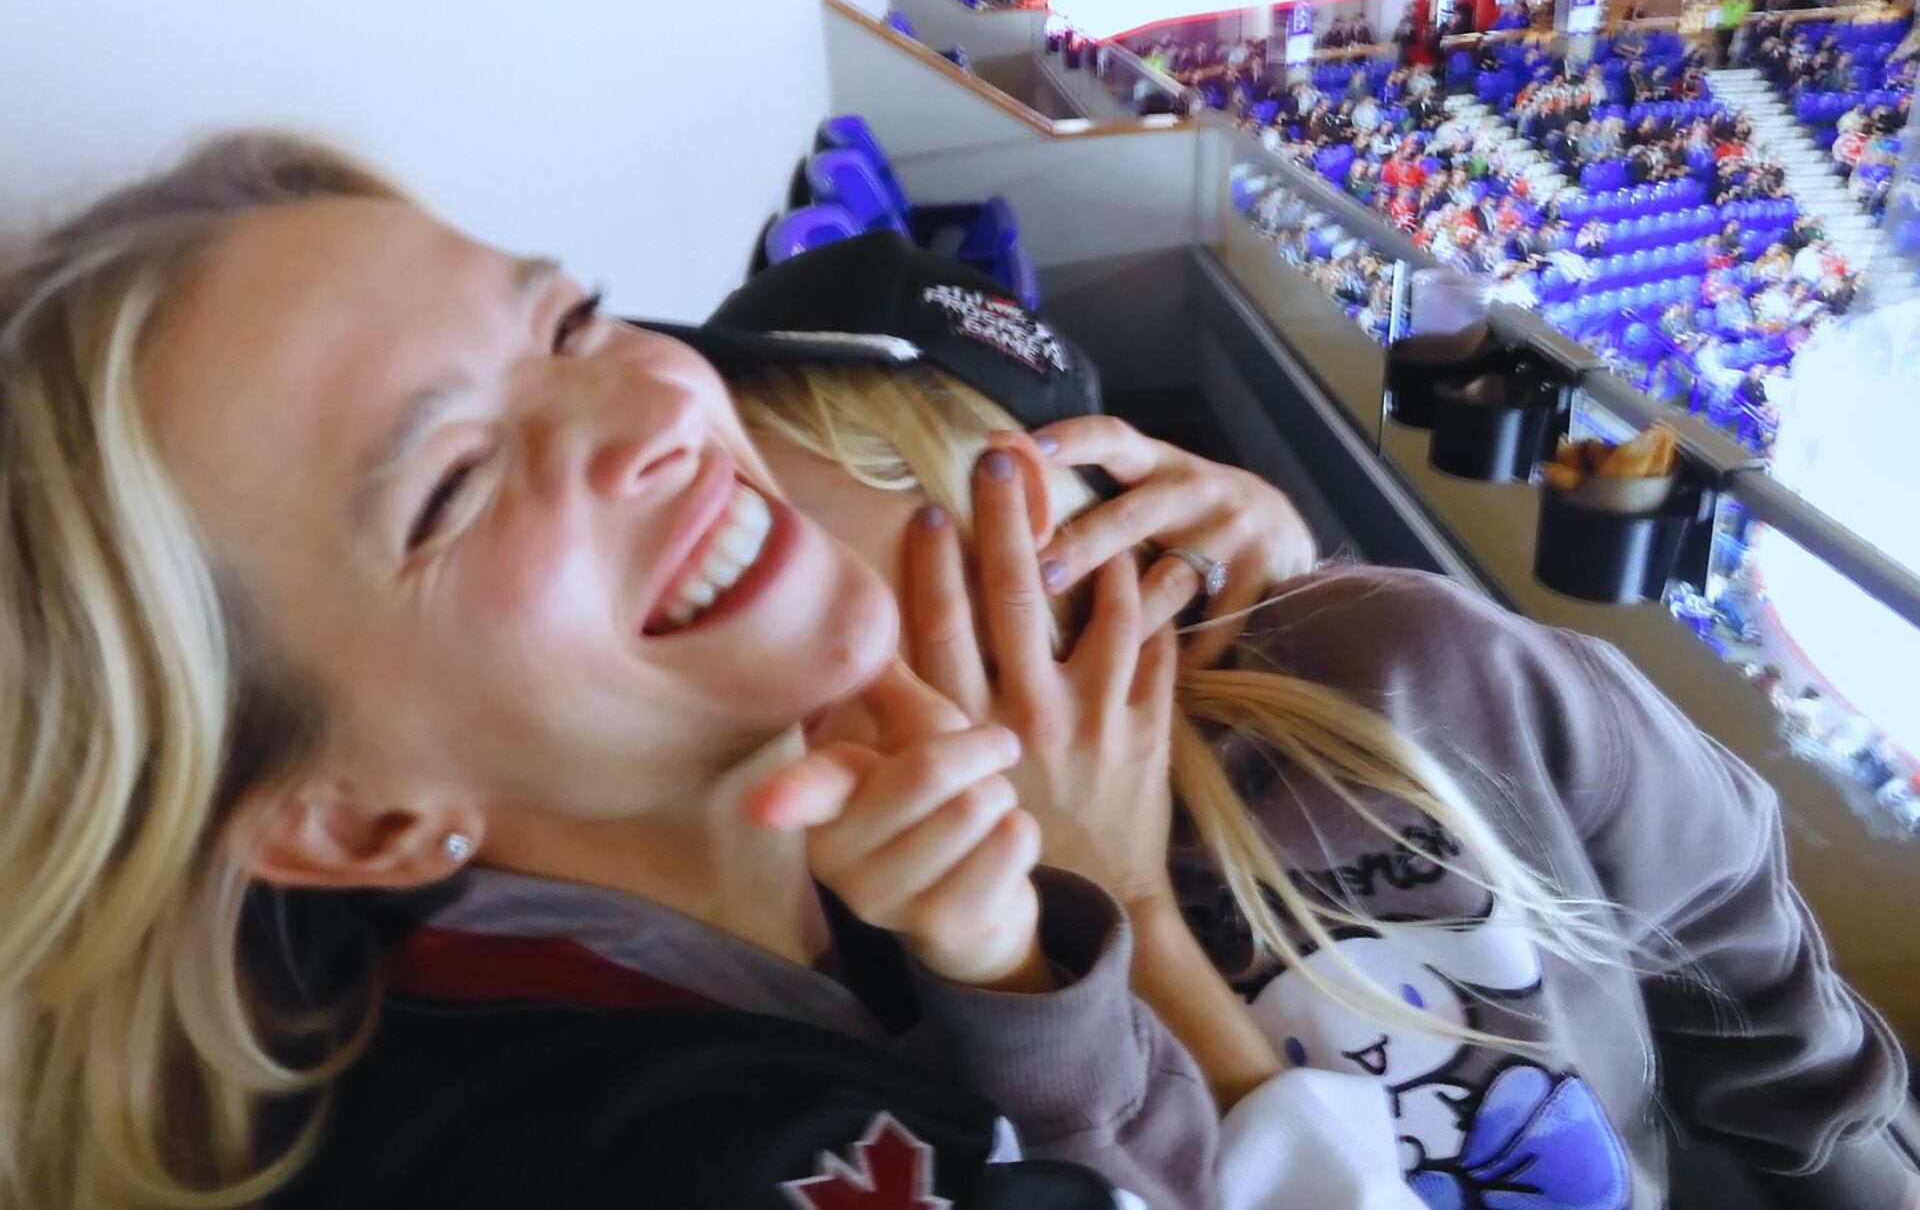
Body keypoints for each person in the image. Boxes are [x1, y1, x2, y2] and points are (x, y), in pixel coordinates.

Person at [0, 138, 1258, 1210]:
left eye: (570, 325)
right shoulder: (640, 1153)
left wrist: (1006, 973)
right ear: (354, 820)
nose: (649, 414)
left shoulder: (855, 841)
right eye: (451, 486)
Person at [708, 235, 1920, 1210]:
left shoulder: (1406, 672)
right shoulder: (855, 928)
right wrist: (1038, 957)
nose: (821, 648)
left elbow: (1728, 931)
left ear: (1061, 520)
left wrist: (1849, 1173)